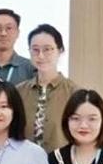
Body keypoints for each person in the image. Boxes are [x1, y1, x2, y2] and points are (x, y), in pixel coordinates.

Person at [16, 24, 79, 153]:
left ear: (60, 51)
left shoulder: (74, 93)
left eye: (47, 49)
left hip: (61, 162)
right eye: (35, 50)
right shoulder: (19, 92)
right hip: (24, 162)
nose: (40, 55)